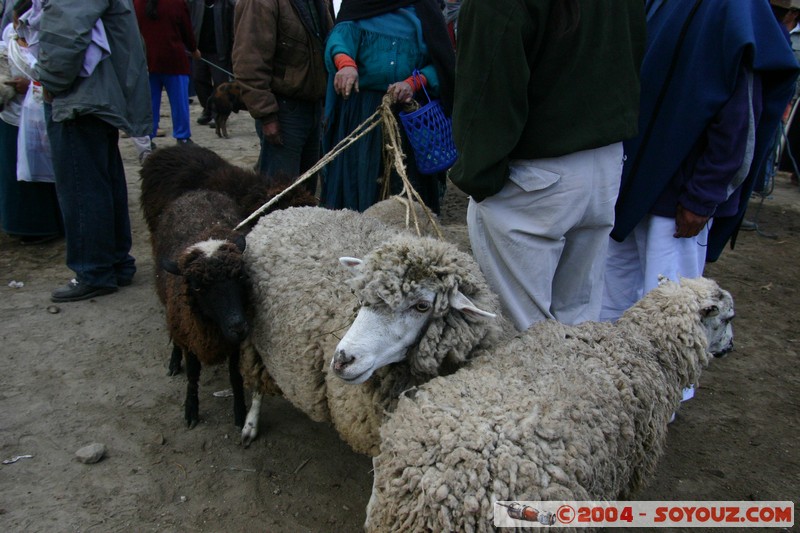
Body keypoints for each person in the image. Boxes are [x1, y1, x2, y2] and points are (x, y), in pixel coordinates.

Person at [450, 0, 645, 331]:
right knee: (578, 321)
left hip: (535, 178)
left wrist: (479, 178)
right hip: (603, 164)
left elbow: (486, 93)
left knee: (520, 334)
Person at [601, 0, 799, 324]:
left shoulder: (733, 7)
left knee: (670, 323)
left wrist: (703, 195)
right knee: (608, 311)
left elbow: (739, 121)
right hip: (627, 191)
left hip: (677, 206)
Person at [36, 0, 152, 302]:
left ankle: (94, 269)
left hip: (81, 96)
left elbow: (66, 32)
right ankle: (114, 262)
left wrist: (50, 78)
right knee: (102, 181)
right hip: (98, 94)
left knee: (82, 186)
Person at [321, 0, 455, 213]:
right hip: (364, 114)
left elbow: (442, 63)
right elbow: (339, 40)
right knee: (360, 177)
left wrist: (413, 83)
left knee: (405, 183)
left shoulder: (426, 9)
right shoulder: (359, 6)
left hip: (408, 118)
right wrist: (346, 65)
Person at [232, 0, 333, 192]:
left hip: (313, 109)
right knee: (279, 194)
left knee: (306, 191)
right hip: (283, 111)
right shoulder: (259, 3)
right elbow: (249, 61)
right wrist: (266, 114)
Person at [0, 0, 61, 245]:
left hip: (43, 111)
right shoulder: (8, 35)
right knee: (16, 172)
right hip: (13, 114)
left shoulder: (46, 33)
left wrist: (31, 84)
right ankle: (22, 225)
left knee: (47, 168)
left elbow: (51, 70)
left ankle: (51, 224)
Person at [134, 0, 199, 144]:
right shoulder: (176, 3)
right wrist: (194, 49)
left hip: (148, 61)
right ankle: (182, 137)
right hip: (174, 59)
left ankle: (148, 139)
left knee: (150, 104)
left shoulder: (137, 3)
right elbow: (187, 30)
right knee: (180, 102)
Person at [188, 0, 235, 127]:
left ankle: (219, 114)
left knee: (220, 85)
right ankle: (207, 110)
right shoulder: (194, 3)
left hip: (220, 51)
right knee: (199, 81)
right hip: (199, 51)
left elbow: (233, 27)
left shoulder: (228, 4)